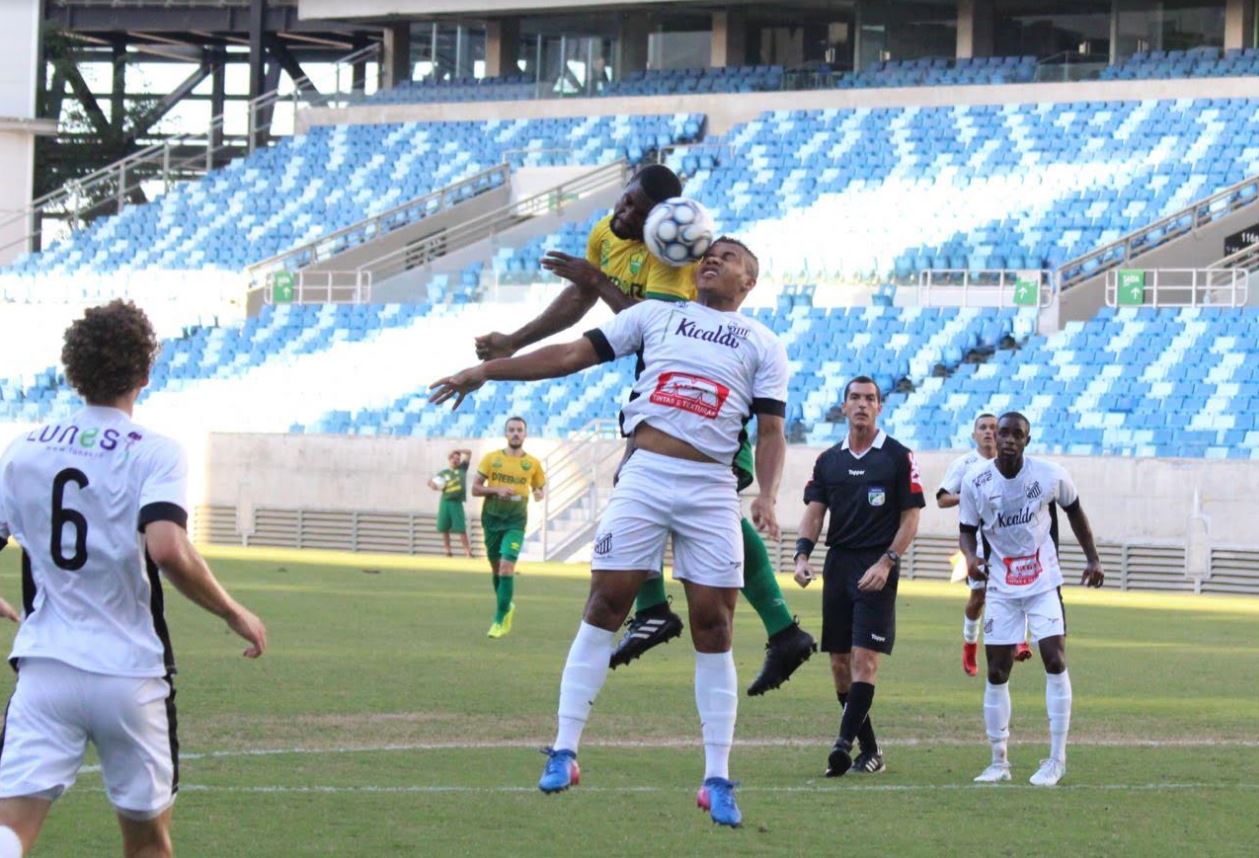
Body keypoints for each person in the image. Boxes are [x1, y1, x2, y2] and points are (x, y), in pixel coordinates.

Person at [433, 238, 787, 828]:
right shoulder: (654, 315)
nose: (712, 259)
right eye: (710, 253)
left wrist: (769, 496)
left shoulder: (763, 342)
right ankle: (565, 750)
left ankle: (717, 776)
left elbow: (772, 431)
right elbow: (570, 355)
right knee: (605, 603)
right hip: (646, 473)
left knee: (715, 624)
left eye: (728, 256)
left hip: (711, 488)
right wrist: (486, 371)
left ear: (748, 282)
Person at [475, 164, 814, 697]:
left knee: (703, 497)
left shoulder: (676, 257)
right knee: (638, 483)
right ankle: (677, 614)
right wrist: (514, 341)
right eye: (626, 202)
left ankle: (760, 626)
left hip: (703, 399)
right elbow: (583, 308)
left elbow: (652, 324)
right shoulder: (606, 235)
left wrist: (599, 282)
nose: (624, 214)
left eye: (638, 210)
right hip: (655, 394)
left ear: (665, 220)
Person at [0, 300, 267, 858]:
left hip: (45, 669)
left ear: (73, 371)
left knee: (9, 832)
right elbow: (166, 547)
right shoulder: (156, 453)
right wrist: (231, 610)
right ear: (146, 374)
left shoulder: (22, 449)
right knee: (147, 843)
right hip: (130, 675)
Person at [959, 412, 1104, 787]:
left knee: (1054, 659)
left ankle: (1057, 759)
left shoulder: (1050, 474)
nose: (1007, 439)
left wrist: (1093, 559)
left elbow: (1075, 512)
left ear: (1027, 439)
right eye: (1001, 432)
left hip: (1042, 580)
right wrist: (971, 559)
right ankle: (998, 761)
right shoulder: (976, 480)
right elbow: (966, 530)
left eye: (1015, 434)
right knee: (997, 671)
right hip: (1001, 584)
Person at [793, 376, 924, 778]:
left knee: (865, 661)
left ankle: (841, 746)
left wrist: (886, 562)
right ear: (844, 406)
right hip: (839, 566)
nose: (862, 404)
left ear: (880, 407)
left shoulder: (898, 457)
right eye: (855, 398)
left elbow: (911, 517)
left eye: (870, 399)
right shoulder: (828, 460)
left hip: (876, 567)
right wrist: (802, 555)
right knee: (839, 664)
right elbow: (815, 511)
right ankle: (870, 750)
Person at [937, 413, 1031, 675]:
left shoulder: (1015, 462)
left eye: (993, 427)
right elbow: (942, 498)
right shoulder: (965, 464)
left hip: (1010, 541)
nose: (989, 432)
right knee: (978, 598)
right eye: (983, 428)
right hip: (977, 543)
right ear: (974, 434)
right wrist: (969, 496)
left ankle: (1020, 640)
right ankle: (969, 644)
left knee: (1018, 590)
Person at [473, 418, 544, 639]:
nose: (515, 434)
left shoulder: (532, 463)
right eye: (512, 430)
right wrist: (496, 490)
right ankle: (507, 606)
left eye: (519, 430)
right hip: (492, 518)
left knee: (506, 567)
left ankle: (499, 619)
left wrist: (539, 493)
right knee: (496, 569)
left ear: (525, 434)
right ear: (506, 433)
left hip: (516, 520)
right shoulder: (491, 459)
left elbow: (539, 488)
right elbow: (475, 489)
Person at [429, 448, 472, 558]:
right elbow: (431, 482)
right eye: (454, 458)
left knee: (461, 528)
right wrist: (432, 485)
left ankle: (467, 552)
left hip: (457, 502)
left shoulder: (462, 468)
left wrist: (457, 450)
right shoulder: (443, 473)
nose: (456, 460)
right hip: (445, 502)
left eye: (458, 459)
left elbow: (469, 453)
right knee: (444, 528)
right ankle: (448, 551)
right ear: (450, 459)